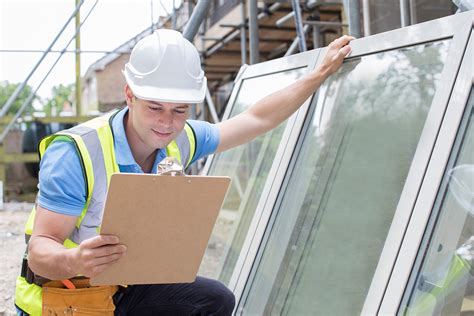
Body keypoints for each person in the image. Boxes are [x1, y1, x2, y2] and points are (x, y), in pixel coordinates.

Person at [15, 29, 353, 315]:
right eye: (155, 108)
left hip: (120, 287)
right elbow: (42, 253)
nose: (167, 123)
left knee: (215, 300)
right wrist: (77, 259)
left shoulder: (183, 138)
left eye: (180, 110)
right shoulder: (76, 152)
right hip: (64, 295)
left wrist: (317, 75)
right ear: (129, 95)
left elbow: (256, 119)